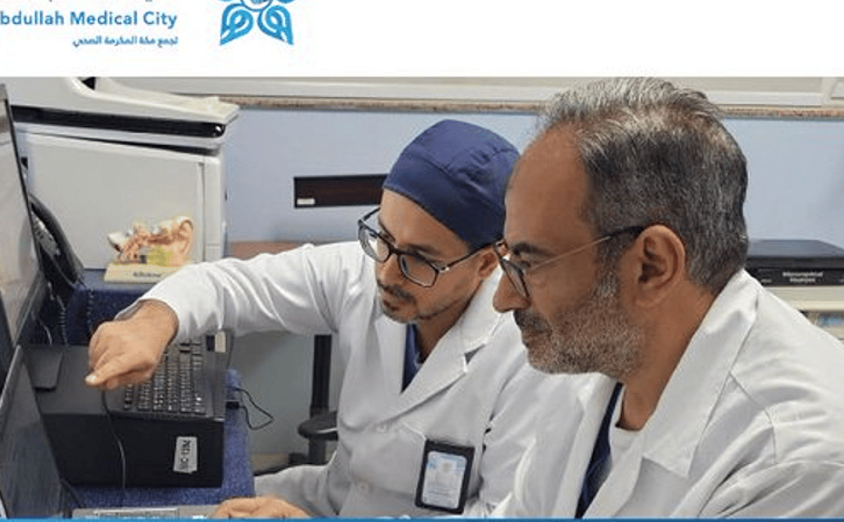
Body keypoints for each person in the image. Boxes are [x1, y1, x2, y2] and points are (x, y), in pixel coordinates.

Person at [84, 119, 571, 518]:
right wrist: (153, 321)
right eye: (384, 237)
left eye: (419, 258)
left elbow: (503, 514)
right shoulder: (363, 271)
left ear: (485, 262)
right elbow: (230, 285)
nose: (386, 272)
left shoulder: (528, 358)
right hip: (327, 501)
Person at [489, 78, 844, 518]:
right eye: (508, 257)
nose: (502, 298)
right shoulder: (599, 355)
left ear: (652, 266)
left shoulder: (804, 466)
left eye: (529, 263)